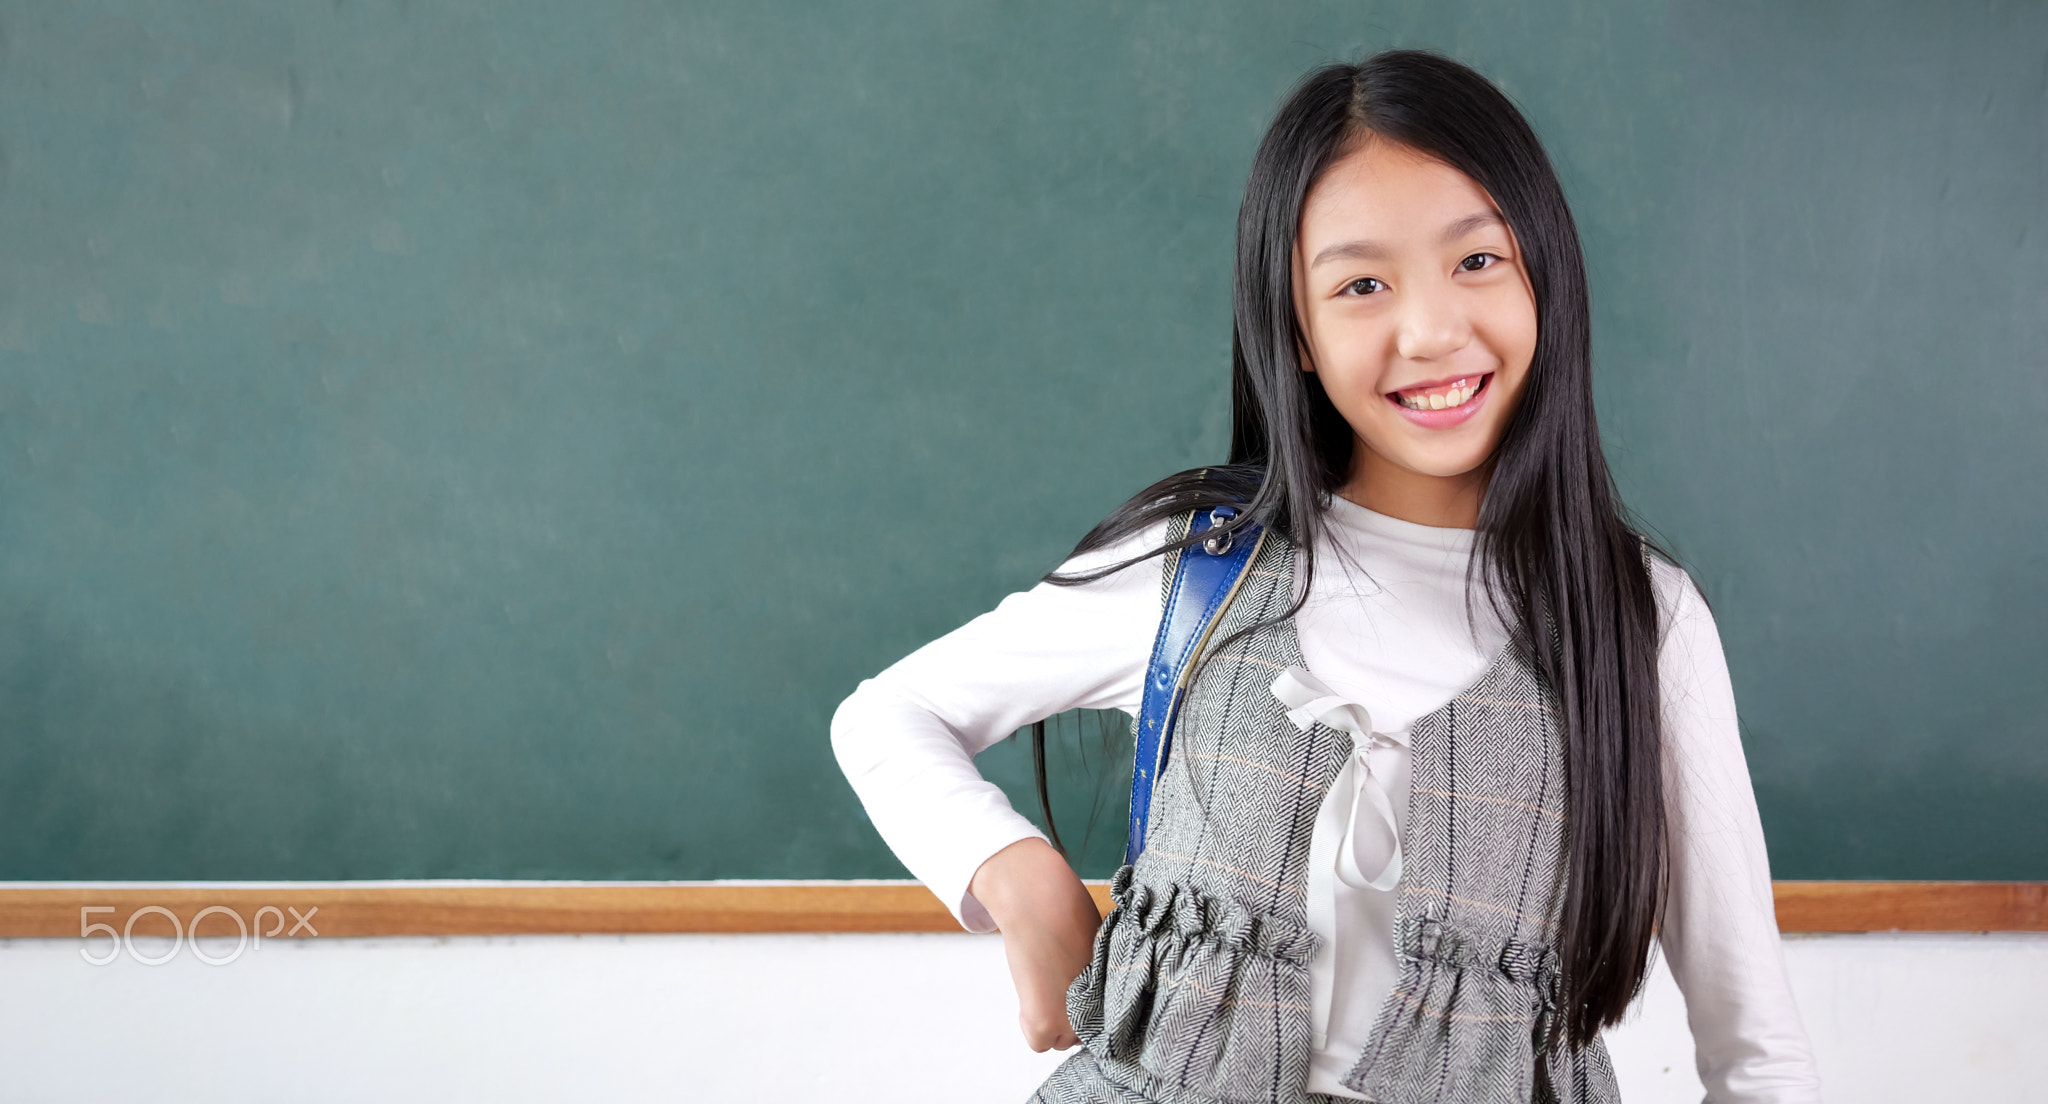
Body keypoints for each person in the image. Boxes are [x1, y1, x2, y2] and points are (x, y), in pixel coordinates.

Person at [831, 49, 1823, 1104]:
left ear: (1545, 269)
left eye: (1476, 260)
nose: (1430, 331)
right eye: (1361, 285)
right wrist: (1019, 879)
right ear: (1295, 332)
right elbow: (888, 716)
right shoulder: (1195, 568)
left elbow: (1755, 1055)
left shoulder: (1639, 618)